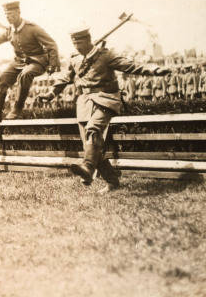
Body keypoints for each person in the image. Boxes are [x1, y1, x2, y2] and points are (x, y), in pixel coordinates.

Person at [39, 26, 170, 193]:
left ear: (88, 39)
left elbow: (129, 66)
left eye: (80, 42)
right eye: (74, 43)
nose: (77, 46)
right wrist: (50, 94)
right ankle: (112, 182)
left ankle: (87, 168)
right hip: (85, 103)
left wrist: (154, 70)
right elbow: (65, 78)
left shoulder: (106, 55)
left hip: (106, 99)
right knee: (92, 147)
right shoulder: (75, 59)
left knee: (93, 131)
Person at [0, 1, 59, 121]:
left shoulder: (33, 28)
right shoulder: (9, 30)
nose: (8, 18)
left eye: (11, 14)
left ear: (19, 13)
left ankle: (17, 109)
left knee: (25, 74)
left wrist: (53, 64)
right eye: (6, 15)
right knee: (2, 79)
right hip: (19, 62)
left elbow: (52, 45)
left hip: (37, 61)